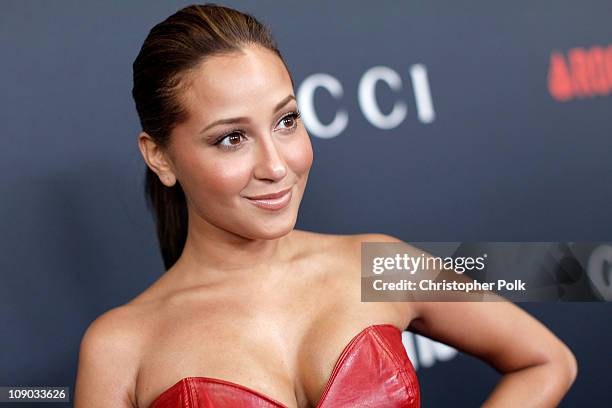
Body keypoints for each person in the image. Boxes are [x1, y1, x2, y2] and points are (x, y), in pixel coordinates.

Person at [74, 3, 577, 407]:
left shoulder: (379, 265)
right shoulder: (121, 347)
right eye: (231, 139)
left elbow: (545, 361)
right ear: (159, 156)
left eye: (286, 121)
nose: (276, 165)